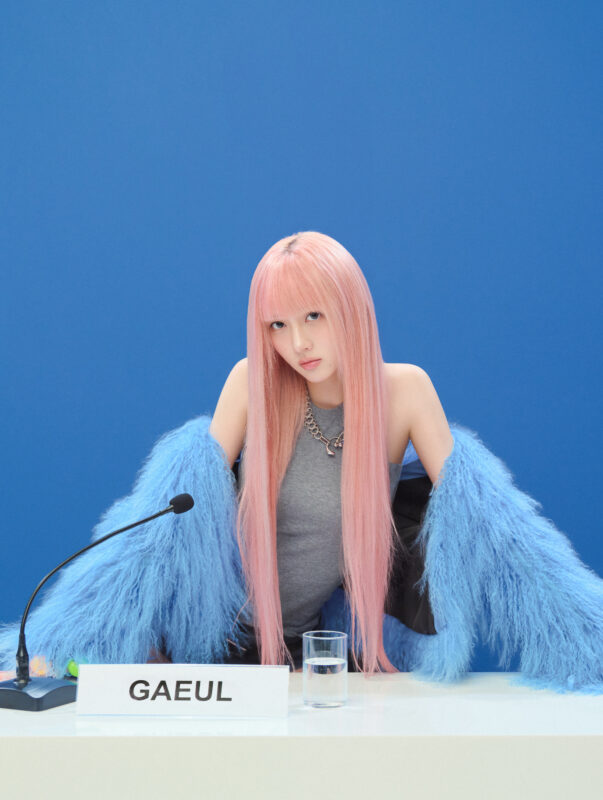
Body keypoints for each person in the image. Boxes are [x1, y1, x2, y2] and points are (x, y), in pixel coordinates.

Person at [1, 231, 602, 694]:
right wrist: (61, 640)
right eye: (278, 325)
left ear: (351, 307)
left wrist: (587, 635)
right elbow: (158, 532)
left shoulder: (406, 394)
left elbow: (498, 530)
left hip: (302, 655)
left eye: (314, 315)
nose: (298, 344)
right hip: (198, 652)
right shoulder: (251, 385)